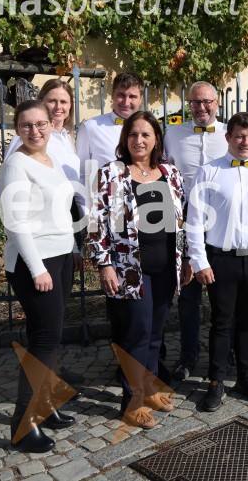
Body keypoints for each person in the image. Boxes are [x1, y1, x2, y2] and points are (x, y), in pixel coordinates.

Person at [88, 111, 187, 428]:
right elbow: (95, 224)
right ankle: (131, 403)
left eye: (146, 134)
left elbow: (181, 221)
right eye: (133, 135)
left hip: (165, 266)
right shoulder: (110, 175)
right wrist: (104, 264)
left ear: (157, 138)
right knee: (137, 334)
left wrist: (184, 260)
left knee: (156, 334)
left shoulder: (170, 173)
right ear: (124, 140)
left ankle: (149, 389)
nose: (139, 140)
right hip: (129, 269)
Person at [186, 112, 248, 412]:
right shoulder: (209, 173)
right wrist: (199, 261)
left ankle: (246, 375)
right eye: (240, 136)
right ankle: (216, 381)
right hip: (221, 260)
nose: (246, 142)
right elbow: (194, 222)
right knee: (221, 322)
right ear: (228, 138)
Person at [0, 100, 77, 453]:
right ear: (17, 129)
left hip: (60, 256)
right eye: (27, 125)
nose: (35, 130)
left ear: (50, 124)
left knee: (49, 337)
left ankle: (46, 406)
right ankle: (23, 423)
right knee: (45, 340)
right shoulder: (17, 163)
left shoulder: (50, 160)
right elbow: (15, 223)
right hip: (36, 262)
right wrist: (38, 268)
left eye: (41, 124)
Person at [163, 81, 228, 382]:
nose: (201, 108)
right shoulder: (173, 134)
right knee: (188, 296)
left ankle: (223, 353)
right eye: (195, 102)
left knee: (222, 294)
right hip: (185, 224)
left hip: (221, 224)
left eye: (207, 102)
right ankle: (188, 354)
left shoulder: (230, 134)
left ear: (217, 102)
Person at [76, 72, 143, 187]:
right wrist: (87, 205)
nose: (126, 102)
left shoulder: (149, 129)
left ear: (141, 99)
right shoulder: (90, 128)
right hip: (106, 202)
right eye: (121, 95)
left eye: (132, 96)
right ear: (112, 95)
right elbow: (81, 174)